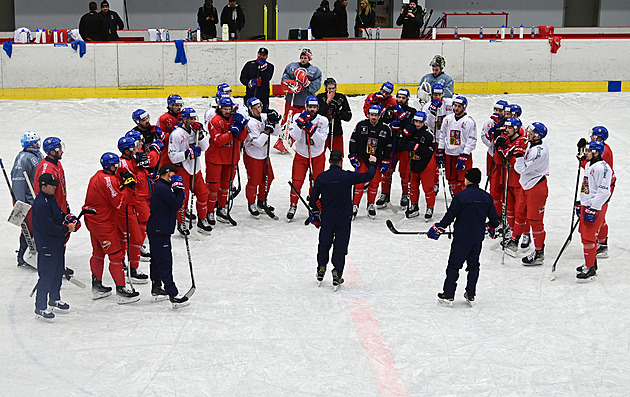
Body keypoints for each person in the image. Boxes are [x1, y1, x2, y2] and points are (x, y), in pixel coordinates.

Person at [428, 168, 500, 306]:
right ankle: (471, 293)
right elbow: (494, 219)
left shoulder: (461, 196)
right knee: (473, 266)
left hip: (461, 238)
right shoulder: (487, 197)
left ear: (467, 179)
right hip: (477, 238)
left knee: (454, 266)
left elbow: (450, 215)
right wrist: (492, 228)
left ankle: (448, 294)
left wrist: (438, 228)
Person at [309, 151, 377, 290]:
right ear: (341, 161)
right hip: (343, 218)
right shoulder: (347, 176)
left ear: (329, 161)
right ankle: (337, 272)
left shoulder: (322, 178)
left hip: (327, 217)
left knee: (324, 243)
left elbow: (313, 200)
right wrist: (372, 162)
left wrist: (317, 210)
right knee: (340, 246)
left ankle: (321, 267)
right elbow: (369, 176)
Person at [84, 152, 139, 303]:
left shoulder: (98, 175)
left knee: (98, 252)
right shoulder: (107, 180)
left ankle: (97, 286)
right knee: (115, 255)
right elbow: (119, 203)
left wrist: (121, 184)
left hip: (93, 220)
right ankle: (121, 290)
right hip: (103, 223)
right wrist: (128, 188)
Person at [32, 173, 78, 321]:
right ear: (43, 186)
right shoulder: (40, 204)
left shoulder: (50, 198)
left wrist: (68, 217)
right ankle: (40, 307)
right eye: (52, 185)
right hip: (47, 246)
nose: (55, 187)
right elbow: (49, 228)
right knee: (46, 276)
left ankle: (54, 298)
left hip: (57, 244)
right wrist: (66, 229)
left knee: (58, 272)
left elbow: (58, 214)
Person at [147, 164, 190, 308]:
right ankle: (173, 294)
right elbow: (176, 203)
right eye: (173, 173)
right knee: (165, 261)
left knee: (157, 259)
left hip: (158, 229)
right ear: (168, 174)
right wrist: (179, 190)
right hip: (160, 230)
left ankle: (157, 287)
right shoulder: (163, 189)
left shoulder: (163, 187)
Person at [34, 137, 74, 277]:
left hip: (59, 208)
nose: (62, 151)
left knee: (61, 240)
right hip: (52, 210)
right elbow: (44, 192)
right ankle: (53, 269)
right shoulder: (48, 168)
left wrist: (65, 205)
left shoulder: (56, 163)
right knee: (55, 239)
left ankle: (58, 267)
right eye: (59, 149)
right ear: (52, 151)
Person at [168, 107, 212, 233]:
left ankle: (202, 219)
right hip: (182, 170)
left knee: (203, 195)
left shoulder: (196, 131)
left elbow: (206, 147)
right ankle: (181, 223)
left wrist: (202, 134)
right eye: (191, 119)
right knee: (182, 198)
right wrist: (187, 153)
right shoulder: (176, 134)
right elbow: (172, 157)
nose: (193, 121)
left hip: (195, 169)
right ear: (184, 119)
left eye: (194, 118)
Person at [206, 97, 248, 225]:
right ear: (219, 108)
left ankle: (222, 208)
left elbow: (242, 138)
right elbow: (218, 141)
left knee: (226, 186)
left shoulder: (234, 119)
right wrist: (232, 133)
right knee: (213, 187)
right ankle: (210, 211)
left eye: (229, 109)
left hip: (231, 158)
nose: (227, 111)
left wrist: (242, 126)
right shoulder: (214, 121)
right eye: (225, 109)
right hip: (215, 159)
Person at [287, 96, 329, 221]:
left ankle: (314, 207)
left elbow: (320, 141)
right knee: (297, 181)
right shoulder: (297, 117)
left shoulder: (323, 121)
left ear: (317, 108)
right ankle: (293, 205)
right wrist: (300, 125)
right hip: (301, 154)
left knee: (316, 183)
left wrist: (311, 129)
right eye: (310, 107)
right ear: (306, 107)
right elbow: (294, 136)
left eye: (314, 107)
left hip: (317, 155)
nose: (312, 109)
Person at [116, 134, 151, 284]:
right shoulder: (123, 164)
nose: (136, 150)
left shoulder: (129, 161)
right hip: (129, 203)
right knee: (135, 237)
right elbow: (135, 183)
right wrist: (142, 170)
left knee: (128, 236)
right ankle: (133, 268)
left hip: (132, 202)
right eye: (133, 148)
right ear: (126, 150)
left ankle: (126, 263)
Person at [576, 141, 613, 281]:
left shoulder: (603, 168)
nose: (586, 153)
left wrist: (593, 208)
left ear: (596, 152)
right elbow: (587, 186)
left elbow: (604, 192)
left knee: (588, 236)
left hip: (595, 206)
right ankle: (591, 263)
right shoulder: (590, 164)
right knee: (584, 234)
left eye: (588, 151)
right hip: (588, 205)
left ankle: (590, 268)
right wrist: (581, 203)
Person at [514, 122, 549, 266]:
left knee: (535, 220)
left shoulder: (539, 152)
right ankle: (515, 239)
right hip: (526, 185)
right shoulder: (530, 143)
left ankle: (539, 252)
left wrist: (519, 155)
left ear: (537, 136)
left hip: (536, 187)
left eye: (531, 132)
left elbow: (520, 169)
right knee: (520, 212)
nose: (527, 133)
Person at [349, 104, 393, 219]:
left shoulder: (385, 128)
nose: (373, 117)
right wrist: (353, 155)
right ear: (368, 115)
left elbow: (389, 146)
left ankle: (371, 205)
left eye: (376, 115)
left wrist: (386, 160)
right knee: (359, 184)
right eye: (372, 115)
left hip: (376, 160)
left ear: (380, 115)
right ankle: (355, 206)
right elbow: (353, 140)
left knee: (374, 183)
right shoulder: (361, 125)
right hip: (362, 159)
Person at [376, 88, 416, 209]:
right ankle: (384, 194)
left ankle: (405, 195)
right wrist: (389, 126)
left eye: (403, 98)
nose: (400, 100)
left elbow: (413, 126)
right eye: (399, 97)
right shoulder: (389, 110)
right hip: (390, 146)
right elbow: (381, 125)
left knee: (404, 173)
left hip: (404, 147)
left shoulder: (412, 111)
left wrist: (403, 120)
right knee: (387, 171)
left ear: (407, 99)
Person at [276, 48, 322, 153]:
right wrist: (291, 84)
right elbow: (284, 78)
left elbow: (317, 85)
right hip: (291, 100)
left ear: (309, 58)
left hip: (305, 102)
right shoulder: (292, 67)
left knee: (302, 122)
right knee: (287, 120)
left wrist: (307, 84)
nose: (303, 60)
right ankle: (283, 141)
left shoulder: (315, 71)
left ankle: (303, 141)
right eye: (301, 57)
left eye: (305, 58)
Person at [243, 97, 281, 218]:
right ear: (250, 109)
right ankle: (251, 203)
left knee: (269, 178)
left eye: (259, 107)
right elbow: (258, 143)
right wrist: (267, 130)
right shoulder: (249, 123)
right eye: (255, 108)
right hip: (252, 155)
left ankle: (261, 201)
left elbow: (277, 133)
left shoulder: (264, 117)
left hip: (264, 155)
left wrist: (275, 122)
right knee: (254, 181)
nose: (258, 110)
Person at [11, 132, 44, 267]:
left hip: (38, 198)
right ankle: (23, 256)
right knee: (29, 229)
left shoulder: (38, 155)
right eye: (34, 143)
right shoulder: (23, 159)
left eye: (37, 142)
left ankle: (32, 253)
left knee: (37, 228)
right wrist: (20, 204)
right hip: (29, 201)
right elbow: (18, 182)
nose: (37, 144)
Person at [435, 96, 477, 196]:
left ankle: (464, 201)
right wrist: (440, 150)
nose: (456, 108)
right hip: (449, 154)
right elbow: (442, 135)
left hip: (462, 155)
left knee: (464, 181)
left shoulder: (469, 121)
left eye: (459, 106)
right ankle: (457, 200)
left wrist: (465, 154)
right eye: (455, 106)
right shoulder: (447, 119)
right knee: (452, 180)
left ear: (464, 107)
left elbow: (472, 139)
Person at [401, 111, 436, 219]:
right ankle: (414, 206)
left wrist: (417, 148)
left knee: (428, 187)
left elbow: (430, 151)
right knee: (413, 186)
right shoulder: (411, 131)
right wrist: (405, 134)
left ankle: (430, 208)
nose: (417, 124)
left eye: (420, 122)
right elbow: (402, 144)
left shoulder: (428, 134)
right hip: (413, 162)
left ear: (424, 122)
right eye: (416, 121)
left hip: (426, 163)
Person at [480, 100, 508, 214]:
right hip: (492, 155)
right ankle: (495, 210)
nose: (497, 112)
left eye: (500, 110)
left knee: (504, 184)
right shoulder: (488, 123)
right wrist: (491, 141)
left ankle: (505, 209)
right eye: (496, 110)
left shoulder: (510, 124)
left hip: (504, 158)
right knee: (493, 182)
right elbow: (483, 136)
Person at [316, 77, 352, 156]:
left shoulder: (341, 98)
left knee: (338, 156)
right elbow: (318, 114)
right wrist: (328, 101)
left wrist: (338, 113)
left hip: (336, 131)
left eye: (333, 88)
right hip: (322, 131)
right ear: (326, 89)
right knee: (318, 155)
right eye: (329, 88)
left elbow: (348, 116)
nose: (331, 90)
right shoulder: (320, 97)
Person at [157, 94, 184, 169]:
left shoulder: (183, 116)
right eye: (176, 105)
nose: (179, 107)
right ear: (170, 106)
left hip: (181, 151)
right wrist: (173, 131)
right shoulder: (163, 118)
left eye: (180, 105)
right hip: (167, 153)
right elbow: (160, 139)